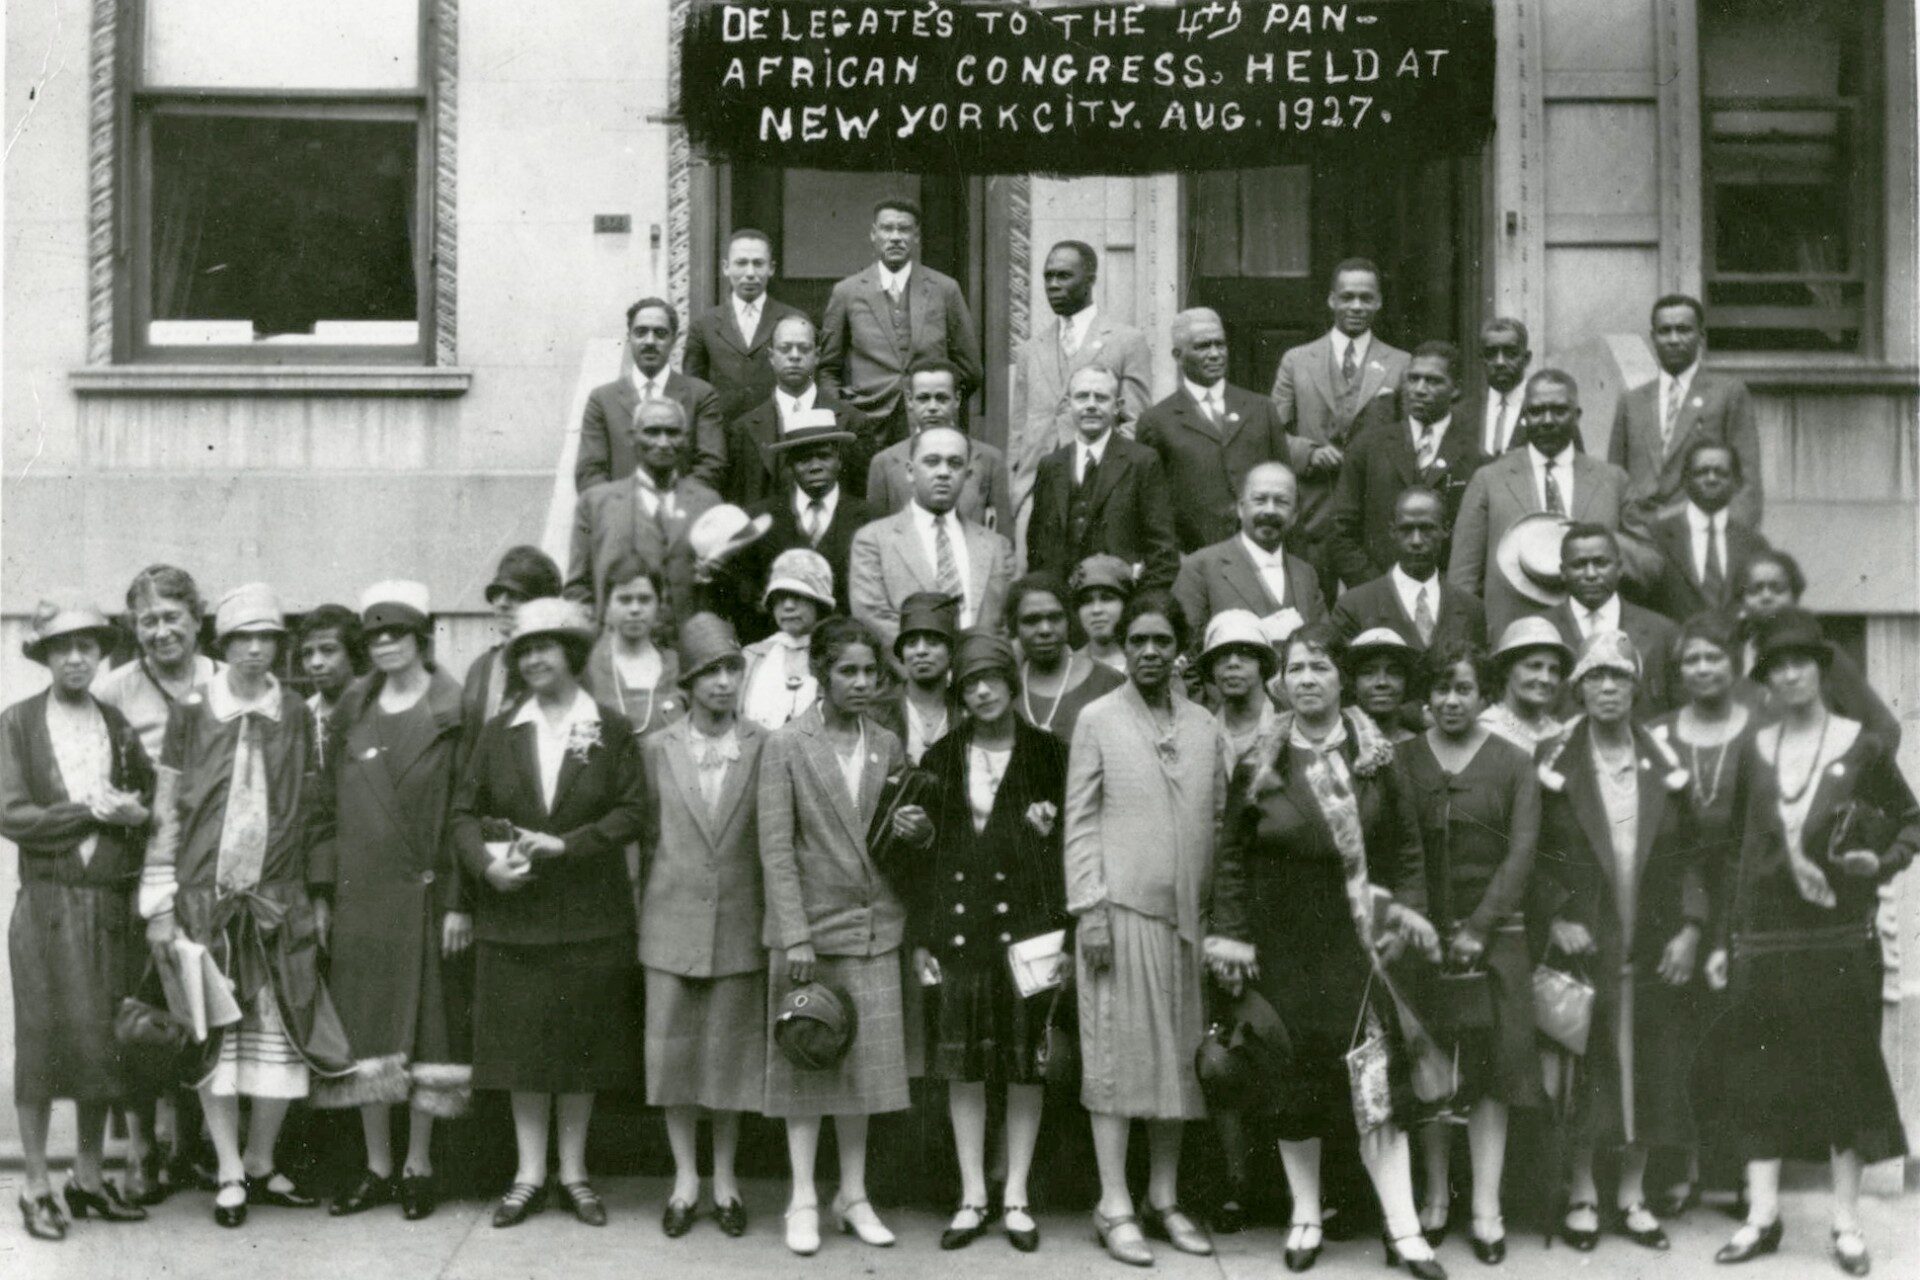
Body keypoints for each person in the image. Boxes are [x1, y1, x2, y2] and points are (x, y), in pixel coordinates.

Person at [1206, 623, 1445, 1279]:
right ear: (1281, 681)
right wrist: (1232, 935)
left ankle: (1403, 1229)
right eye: (1295, 669)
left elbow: (1408, 852)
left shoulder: (1379, 757)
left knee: (1377, 1088)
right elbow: (1231, 856)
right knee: (1294, 1084)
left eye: (1319, 667)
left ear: (1342, 679)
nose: (1306, 679)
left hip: (1359, 947)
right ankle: (1304, 1216)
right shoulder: (1262, 759)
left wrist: (1405, 921)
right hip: (1282, 949)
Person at [1698, 609, 1914, 1277]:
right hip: (1764, 938)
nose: (1790, 674)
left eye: (1801, 661)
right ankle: (1763, 1217)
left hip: (1839, 936)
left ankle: (1846, 1225)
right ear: (1764, 681)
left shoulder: (1863, 746)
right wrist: (1720, 938)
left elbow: (1911, 822)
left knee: (1844, 1073)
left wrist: (1876, 865)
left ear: (1822, 668)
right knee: (1759, 1072)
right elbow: (1734, 852)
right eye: (1775, 666)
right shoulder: (1752, 750)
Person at [138, 584, 350, 1228]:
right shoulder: (194, 710)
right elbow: (168, 809)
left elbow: (314, 812)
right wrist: (161, 900)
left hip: (276, 904)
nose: (256, 650)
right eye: (242, 639)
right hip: (206, 901)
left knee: (280, 1033)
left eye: (266, 638)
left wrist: (316, 894)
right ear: (223, 645)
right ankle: (227, 1167)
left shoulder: (296, 713)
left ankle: (260, 1159)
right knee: (217, 1041)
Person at [451, 597, 649, 1230]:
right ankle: (527, 1175)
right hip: (515, 915)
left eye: (546, 647)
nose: (534, 658)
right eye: (523, 650)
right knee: (521, 1051)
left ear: (572, 653)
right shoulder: (500, 730)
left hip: (591, 914)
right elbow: (460, 815)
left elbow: (634, 812)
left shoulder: (612, 729)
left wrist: (570, 844)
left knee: (581, 1049)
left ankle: (575, 1173)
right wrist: (487, 866)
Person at [1065, 590, 1226, 1267]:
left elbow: (1219, 821)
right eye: (1139, 642)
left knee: (1177, 1066)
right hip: (1118, 917)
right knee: (1116, 1063)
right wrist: (1091, 910)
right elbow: (1078, 823)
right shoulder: (1097, 719)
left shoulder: (1205, 725)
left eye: (1162, 641)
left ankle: (1163, 1199)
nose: (1151, 652)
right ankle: (1114, 1203)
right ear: (1123, 649)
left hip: (1187, 923)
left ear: (1178, 649)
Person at [1532, 630, 1705, 1256]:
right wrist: (1554, 916)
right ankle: (1583, 1193)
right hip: (1587, 941)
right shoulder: (1554, 760)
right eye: (1596, 678)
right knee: (1589, 1066)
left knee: (1651, 1066)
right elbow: (1530, 854)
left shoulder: (1662, 759)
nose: (1608, 689)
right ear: (1579, 688)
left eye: (1620, 678)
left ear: (1636, 686)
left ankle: (1631, 1196)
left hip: (1651, 940)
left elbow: (1690, 855)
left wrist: (1689, 927)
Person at [757, 617, 925, 1257]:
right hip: (813, 935)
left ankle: (852, 1195)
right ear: (823, 675)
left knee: (864, 1077)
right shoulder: (787, 745)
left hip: (876, 928)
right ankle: (802, 1195)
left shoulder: (886, 741)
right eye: (847, 671)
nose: (860, 683)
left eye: (870, 673)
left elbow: (900, 835)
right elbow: (776, 849)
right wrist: (795, 935)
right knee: (806, 1068)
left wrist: (917, 831)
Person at [308, 581, 472, 1221]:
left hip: (427, 900)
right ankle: (377, 1167)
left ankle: (418, 1164)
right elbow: (322, 813)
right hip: (362, 902)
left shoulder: (453, 711)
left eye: (396, 634)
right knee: (367, 1034)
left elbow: (466, 810)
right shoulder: (351, 712)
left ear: (421, 638)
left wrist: (461, 900)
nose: (385, 646)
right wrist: (322, 895)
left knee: (428, 1033)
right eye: (374, 636)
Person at [915, 633, 1072, 1253]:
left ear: (1012, 683)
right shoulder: (941, 754)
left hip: (1029, 935)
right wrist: (924, 937)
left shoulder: (1048, 754)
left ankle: (1017, 1196)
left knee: (1026, 1066)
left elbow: (1071, 848)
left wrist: (1067, 932)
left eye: (992, 678)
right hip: (960, 933)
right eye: (970, 681)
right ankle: (973, 1194)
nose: (981, 690)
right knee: (965, 1069)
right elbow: (923, 859)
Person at [2, 604, 154, 1240]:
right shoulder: (16, 723)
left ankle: (88, 1178)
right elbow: (12, 815)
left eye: (86, 648)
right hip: (47, 905)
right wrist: (89, 811)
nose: (74, 659)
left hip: (107, 906)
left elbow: (146, 803)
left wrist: (132, 815)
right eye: (62, 648)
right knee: (40, 1043)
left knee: (102, 1044)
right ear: (44, 655)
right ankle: (37, 1185)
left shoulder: (115, 724)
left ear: (100, 655)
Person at [1398, 642, 1542, 1266]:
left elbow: (1523, 853)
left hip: (1495, 937)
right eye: (1440, 689)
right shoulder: (1399, 759)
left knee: (1489, 1075)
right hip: (1419, 939)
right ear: (1424, 697)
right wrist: (1421, 927)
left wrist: (1481, 925)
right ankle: (1434, 1199)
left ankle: (1486, 1206)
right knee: (1429, 1068)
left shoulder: (1514, 763)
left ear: (1485, 694)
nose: (1451, 700)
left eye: (1463, 688)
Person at [638, 614, 769, 1241]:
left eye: (730, 670)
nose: (722, 683)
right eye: (708, 673)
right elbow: (640, 842)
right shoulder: (657, 748)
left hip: (741, 927)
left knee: (728, 1060)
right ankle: (684, 1178)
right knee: (674, 1059)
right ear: (686, 684)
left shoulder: (765, 744)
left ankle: (726, 1178)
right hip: (670, 925)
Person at [93, 564, 220, 1200]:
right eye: (149, 620)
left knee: (202, 1007)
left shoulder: (226, 680)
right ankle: (141, 1149)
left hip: (215, 872)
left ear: (198, 620)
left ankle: (188, 1145)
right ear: (133, 629)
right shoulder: (115, 691)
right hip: (138, 868)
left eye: (174, 617)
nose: (163, 630)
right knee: (141, 1009)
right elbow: (98, 777)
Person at [1647, 612, 1761, 1219]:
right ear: (1678, 670)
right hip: (1675, 895)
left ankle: (1741, 1170)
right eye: (1690, 659)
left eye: (1713, 656)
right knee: (1675, 1036)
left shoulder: (1762, 728)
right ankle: (1677, 1167)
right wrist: (1688, 923)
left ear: (1734, 662)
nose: (1702, 668)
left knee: (1741, 1033)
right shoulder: (1659, 733)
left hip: (1749, 894)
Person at [1447, 370, 1632, 636]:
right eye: (1536, 411)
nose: (1547, 420)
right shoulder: (1489, 479)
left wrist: (1602, 539)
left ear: (1576, 415)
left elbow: (1647, 564)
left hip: (1593, 634)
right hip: (1511, 635)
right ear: (1524, 416)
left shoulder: (1613, 480)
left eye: (1558, 410)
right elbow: (1462, 579)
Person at [1270, 260, 1412, 597]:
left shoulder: (1400, 363)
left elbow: (1408, 438)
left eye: (1366, 298)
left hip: (1372, 513)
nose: (1356, 306)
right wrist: (1309, 452)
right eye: (1347, 297)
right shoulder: (1297, 360)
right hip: (1312, 512)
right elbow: (1270, 433)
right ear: (1332, 300)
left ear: (1379, 302)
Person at [1010, 241, 1153, 529]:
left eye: (1063, 276)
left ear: (1090, 279)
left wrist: (1104, 469)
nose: (1053, 285)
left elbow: (1135, 422)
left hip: (1101, 490)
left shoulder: (1126, 341)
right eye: (1048, 277)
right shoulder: (1030, 350)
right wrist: (1016, 487)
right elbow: (1019, 429)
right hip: (1035, 490)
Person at [820, 197, 984, 445]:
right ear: (873, 235)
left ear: (916, 236)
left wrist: (939, 401)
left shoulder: (944, 289)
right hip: (866, 426)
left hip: (930, 427)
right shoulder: (847, 292)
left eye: (904, 229)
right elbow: (827, 369)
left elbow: (970, 369)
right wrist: (844, 414)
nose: (895, 237)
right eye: (887, 229)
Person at [1331, 341, 1487, 589]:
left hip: (1447, 598)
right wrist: (1378, 590)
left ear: (1456, 389)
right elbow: (1340, 531)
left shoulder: (1475, 457)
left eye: (1433, 381)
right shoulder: (1369, 446)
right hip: (1377, 595)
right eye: (1413, 379)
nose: (1419, 389)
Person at [1137, 307, 1293, 555]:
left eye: (1220, 345)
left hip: (1263, 552)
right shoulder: (1156, 421)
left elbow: (1287, 485)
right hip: (1194, 561)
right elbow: (1152, 507)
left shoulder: (1261, 409)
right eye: (1202, 346)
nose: (1214, 354)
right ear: (1178, 355)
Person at [849, 423, 1016, 652]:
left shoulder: (996, 546)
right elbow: (872, 618)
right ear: (910, 471)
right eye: (932, 461)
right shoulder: (873, 540)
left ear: (967, 475)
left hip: (977, 678)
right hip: (908, 678)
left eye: (955, 463)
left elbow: (1003, 622)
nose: (944, 472)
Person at [565, 397, 725, 624]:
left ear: (686, 439)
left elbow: (722, 589)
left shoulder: (707, 502)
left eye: (672, 433)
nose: (663, 442)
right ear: (633, 438)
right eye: (652, 432)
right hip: (618, 647)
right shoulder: (596, 503)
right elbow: (578, 589)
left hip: (689, 649)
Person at [1608, 294, 1762, 527]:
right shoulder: (1632, 400)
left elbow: (1746, 479)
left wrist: (1736, 540)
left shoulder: (1728, 393)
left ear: (1701, 336)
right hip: (1639, 533)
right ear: (1653, 337)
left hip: (1700, 531)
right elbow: (1615, 477)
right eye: (1665, 331)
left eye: (1683, 330)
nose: (1673, 339)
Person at [1028, 366, 1180, 590]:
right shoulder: (1051, 465)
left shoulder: (1142, 461)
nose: (1091, 405)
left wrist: (1140, 604)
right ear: (1068, 404)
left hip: (1123, 602)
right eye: (1082, 397)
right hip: (1063, 605)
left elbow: (1163, 550)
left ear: (1117, 406)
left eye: (1101, 397)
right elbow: (1037, 549)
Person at [1731, 550, 1900, 748]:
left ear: (1795, 597)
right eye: (1755, 590)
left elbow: (1884, 728)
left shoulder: (1823, 654)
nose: (1766, 596)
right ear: (1741, 600)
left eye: (1778, 589)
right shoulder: (1730, 656)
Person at [729, 401, 869, 638]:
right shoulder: (760, 519)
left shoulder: (869, 519)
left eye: (824, 457)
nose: (815, 466)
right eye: (804, 459)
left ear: (839, 459)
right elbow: (746, 595)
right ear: (790, 465)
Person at [575, 297, 725, 491]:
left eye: (660, 333)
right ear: (629, 337)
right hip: (619, 517)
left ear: (674, 339)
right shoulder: (602, 399)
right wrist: (621, 510)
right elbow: (589, 472)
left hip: (681, 516)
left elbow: (712, 466)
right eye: (641, 332)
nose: (650, 341)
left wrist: (674, 506)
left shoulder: (701, 395)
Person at [721, 315, 869, 511]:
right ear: (772, 357)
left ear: (817, 356)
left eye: (804, 348)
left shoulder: (853, 422)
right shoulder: (742, 429)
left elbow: (860, 499)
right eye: (785, 348)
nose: (794, 355)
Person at [1173, 462, 1328, 649]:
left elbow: (1324, 645)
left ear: (1294, 515)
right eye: (1260, 500)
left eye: (1281, 502)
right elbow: (1186, 654)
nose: (1270, 510)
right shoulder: (1200, 567)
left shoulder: (1306, 574)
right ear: (1240, 508)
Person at [864, 359, 1015, 534]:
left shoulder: (989, 459)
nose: (932, 407)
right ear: (909, 400)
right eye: (923, 398)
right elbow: (876, 536)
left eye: (941, 398)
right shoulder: (884, 462)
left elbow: (1004, 539)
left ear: (957, 399)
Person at [1330, 488, 1486, 652]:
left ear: (1446, 530)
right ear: (1392, 531)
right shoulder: (1353, 607)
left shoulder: (1472, 609)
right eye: (1406, 529)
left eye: (1427, 529)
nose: (1416, 540)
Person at [1545, 524, 1679, 715]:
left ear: (1619, 568)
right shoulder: (1540, 630)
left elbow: (1682, 711)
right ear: (1562, 572)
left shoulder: (1663, 632)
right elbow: (1509, 718)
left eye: (1600, 563)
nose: (1591, 574)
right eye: (1579, 565)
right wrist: (1535, 743)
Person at [684, 228, 808, 428]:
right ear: (726, 268)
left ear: (771, 268)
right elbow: (692, 390)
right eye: (741, 263)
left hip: (778, 434)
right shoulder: (703, 325)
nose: (750, 273)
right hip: (721, 435)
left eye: (758, 263)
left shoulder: (794, 320)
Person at [1644, 441, 1770, 623]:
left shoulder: (1755, 544)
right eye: (1702, 472)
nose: (1711, 478)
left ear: (1736, 482)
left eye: (1721, 472)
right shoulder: (1655, 537)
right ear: (1685, 480)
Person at [1008, 573, 1124, 745]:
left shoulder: (1109, 683)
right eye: (1031, 620)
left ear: (1069, 620)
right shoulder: (1007, 690)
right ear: (1014, 627)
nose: (1045, 629)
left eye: (1055, 618)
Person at [462, 546, 564, 736]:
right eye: (497, 594)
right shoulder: (482, 667)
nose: (502, 603)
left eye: (515, 595)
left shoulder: (562, 668)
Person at [581, 558, 685, 740]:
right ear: (607, 605)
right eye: (624, 599)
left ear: (659, 605)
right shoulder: (587, 668)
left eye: (644, 600)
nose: (635, 609)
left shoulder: (676, 666)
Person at [740, 549, 834, 732]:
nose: (788, 606)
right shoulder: (751, 656)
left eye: (798, 596)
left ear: (819, 603)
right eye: (780, 598)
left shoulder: (836, 654)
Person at [870, 592, 958, 764]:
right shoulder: (878, 710)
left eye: (933, 642)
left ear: (951, 651)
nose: (921, 651)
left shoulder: (965, 709)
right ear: (902, 653)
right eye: (911, 643)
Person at [1479, 618, 1575, 751]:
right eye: (1535, 666)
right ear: (1506, 669)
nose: (1545, 678)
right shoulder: (1485, 731)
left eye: (1553, 670)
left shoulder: (1561, 734)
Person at [1199, 611, 1279, 767]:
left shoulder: (1290, 726)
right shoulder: (1202, 733)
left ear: (1262, 664)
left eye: (1244, 653)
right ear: (1212, 669)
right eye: (1222, 655)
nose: (1233, 663)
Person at [296, 604, 364, 760]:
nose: (316, 662)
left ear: (352, 654)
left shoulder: (375, 705)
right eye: (307, 653)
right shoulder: (305, 715)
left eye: (328, 650)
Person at [1347, 628, 1422, 743]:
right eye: (1368, 672)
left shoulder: (1419, 745)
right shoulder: (1340, 746)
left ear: (1407, 682)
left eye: (1394, 672)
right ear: (1353, 683)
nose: (1382, 682)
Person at [1475, 318, 1533, 457]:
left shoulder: (1547, 409)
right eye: (1491, 354)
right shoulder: (1465, 412)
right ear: (1481, 360)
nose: (1500, 362)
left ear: (1526, 358)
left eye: (1511, 353)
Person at [1072, 554, 1135, 674]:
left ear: (1126, 605)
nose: (1096, 610)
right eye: (1087, 601)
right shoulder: (1067, 667)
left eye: (1107, 599)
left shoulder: (1143, 663)